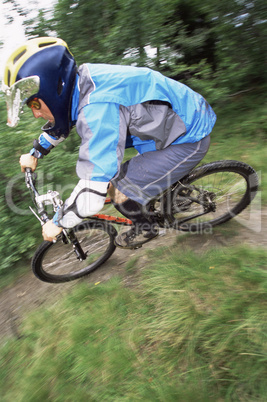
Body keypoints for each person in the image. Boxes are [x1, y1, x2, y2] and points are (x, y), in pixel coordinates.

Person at [2, 37, 216, 249]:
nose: (36, 114)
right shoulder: (82, 82)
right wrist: (36, 152)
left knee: (117, 189)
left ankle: (147, 228)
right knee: (123, 175)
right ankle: (172, 195)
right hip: (177, 120)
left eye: (35, 103)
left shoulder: (97, 108)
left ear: (53, 89)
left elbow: (92, 195)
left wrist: (59, 222)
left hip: (187, 137)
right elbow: (62, 122)